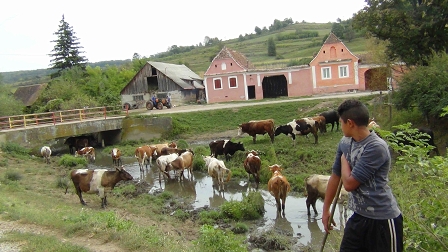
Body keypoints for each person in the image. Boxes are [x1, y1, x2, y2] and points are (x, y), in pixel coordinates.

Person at [322, 99, 403, 252]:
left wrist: (344, 160)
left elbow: (349, 184)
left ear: (350, 123)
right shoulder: (345, 143)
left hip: (383, 219)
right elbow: (335, 176)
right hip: (359, 216)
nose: (340, 127)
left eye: (341, 123)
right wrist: (326, 210)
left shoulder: (376, 147)